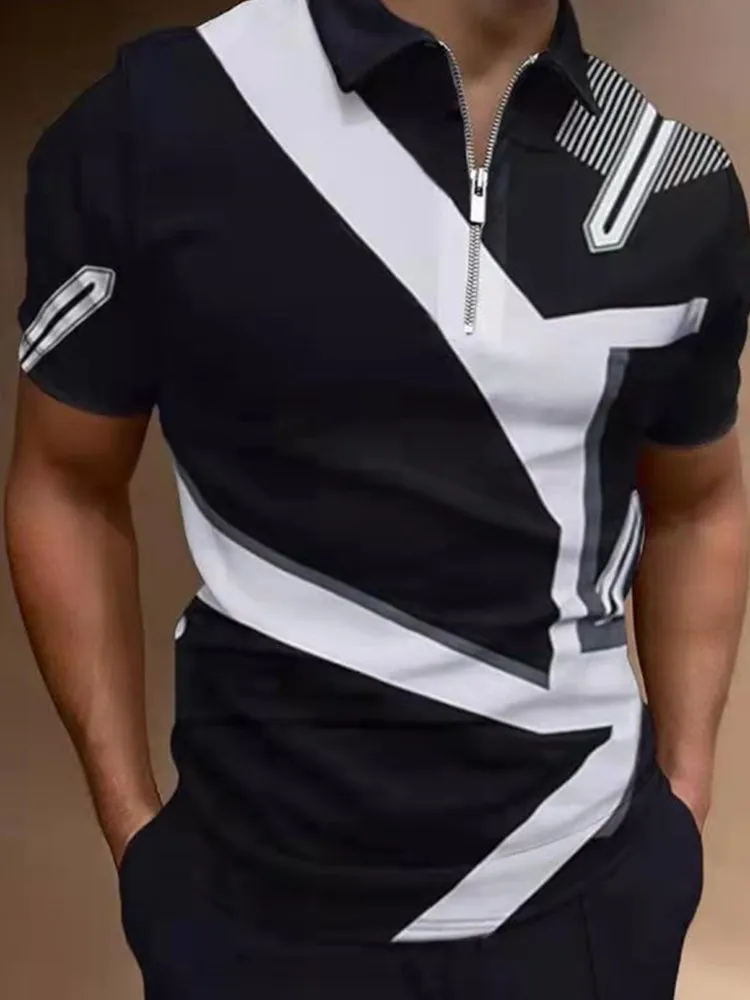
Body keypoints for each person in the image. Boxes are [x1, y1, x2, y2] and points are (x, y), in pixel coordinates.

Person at [6, 0, 750, 996]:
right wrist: (134, 830)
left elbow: (699, 502)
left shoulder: (676, 183)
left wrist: (683, 811)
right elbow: (64, 478)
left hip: (589, 911)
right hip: (253, 915)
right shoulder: (167, 117)